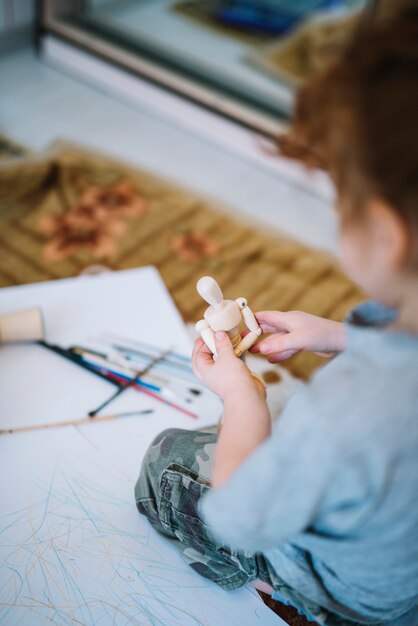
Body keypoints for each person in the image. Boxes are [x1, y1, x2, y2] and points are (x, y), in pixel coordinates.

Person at [134, 5, 418, 625]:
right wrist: (338, 334)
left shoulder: (348, 409)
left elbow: (242, 510)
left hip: (361, 601)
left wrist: (243, 399)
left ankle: (293, 601)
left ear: (385, 233)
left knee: (170, 460)